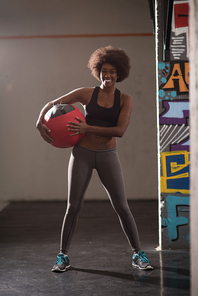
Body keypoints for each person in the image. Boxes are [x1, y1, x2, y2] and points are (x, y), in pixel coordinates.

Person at [36, 46, 153, 271]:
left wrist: (87, 127)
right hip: (82, 154)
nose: (107, 75)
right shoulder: (86, 93)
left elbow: (120, 131)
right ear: (98, 71)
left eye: (112, 71)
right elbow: (53, 103)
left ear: (119, 74)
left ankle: (138, 254)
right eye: (103, 70)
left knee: (122, 206)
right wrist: (39, 121)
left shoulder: (125, 99)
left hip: (108, 155)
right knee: (73, 206)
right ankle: (63, 256)